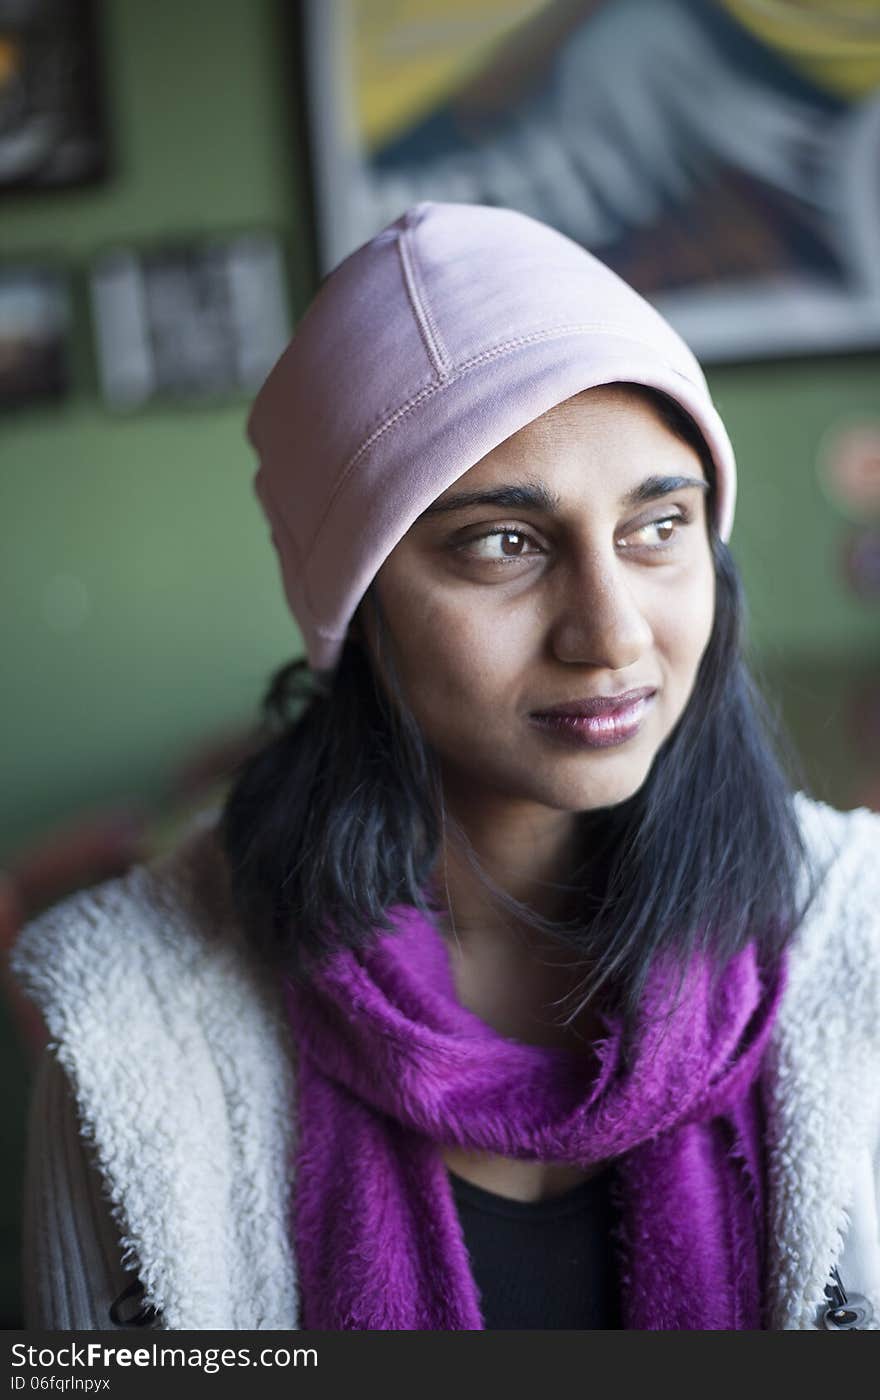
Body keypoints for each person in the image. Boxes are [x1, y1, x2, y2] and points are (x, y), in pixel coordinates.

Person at [9, 201, 880, 1332]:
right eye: (503, 544)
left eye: (657, 525)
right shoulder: (131, 1019)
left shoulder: (850, 944)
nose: (610, 634)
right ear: (355, 605)